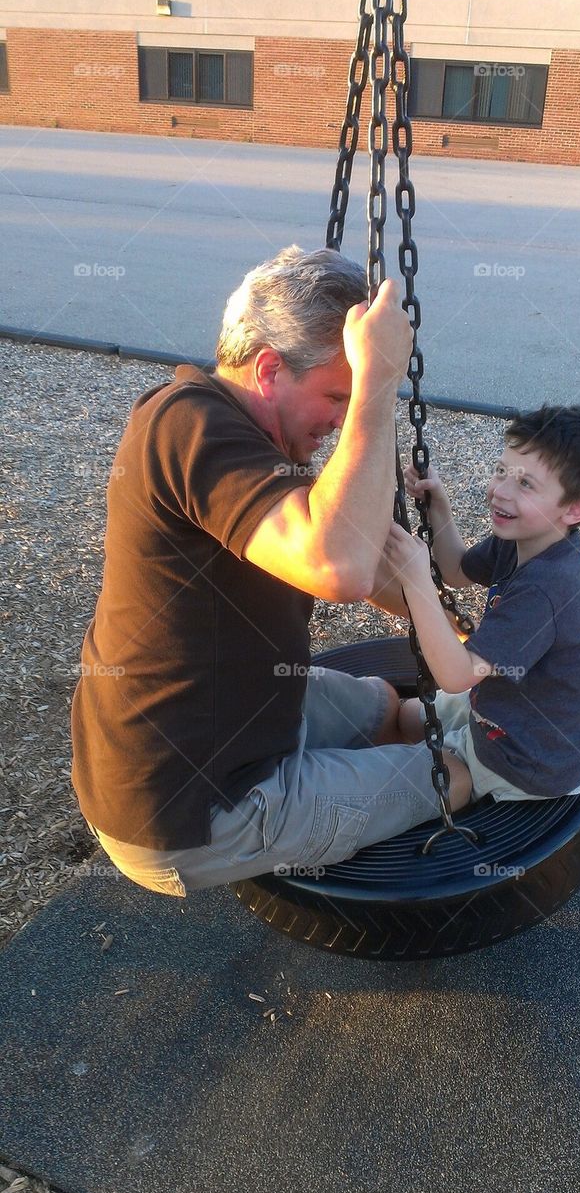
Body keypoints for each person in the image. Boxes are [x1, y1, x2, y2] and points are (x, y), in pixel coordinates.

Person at [71, 245, 471, 897]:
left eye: (349, 397)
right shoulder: (186, 425)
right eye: (334, 395)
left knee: (382, 706)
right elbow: (336, 568)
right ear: (267, 368)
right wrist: (375, 387)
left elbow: (375, 575)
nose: (341, 418)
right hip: (188, 810)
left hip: (225, 720)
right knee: (458, 770)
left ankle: (356, 793)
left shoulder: (244, 442)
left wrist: (463, 617)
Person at [383, 404, 580, 804]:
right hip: (512, 707)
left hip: (530, 758)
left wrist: (415, 578)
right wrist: (438, 503)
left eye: (526, 484)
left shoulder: (547, 590)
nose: (501, 492)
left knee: (410, 774)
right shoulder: (526, 540)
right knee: (403, 718)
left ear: (576, 509)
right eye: (501, 471)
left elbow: (457, 676)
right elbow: (457, 568)